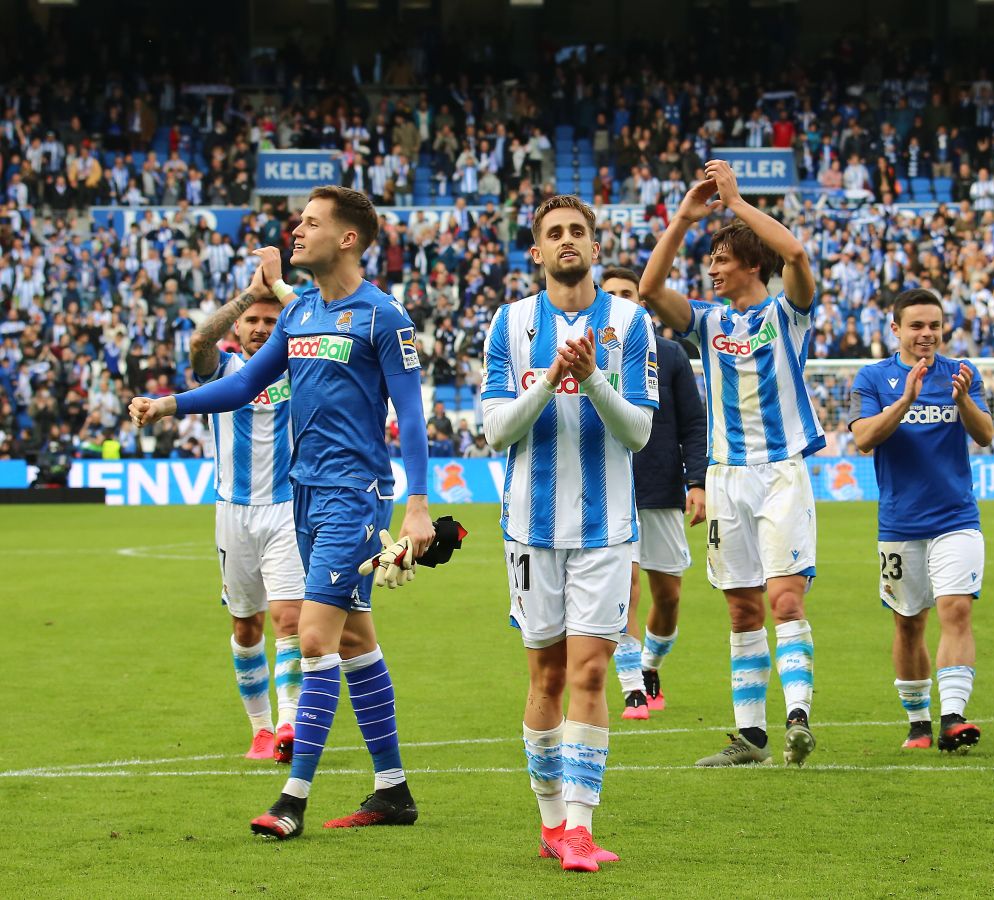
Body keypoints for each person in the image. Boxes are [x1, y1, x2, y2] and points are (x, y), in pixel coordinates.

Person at [130, 185, 435, 839]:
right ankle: (393, 791)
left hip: (353, 496)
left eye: (311, 222)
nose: (297, 230)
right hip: (303, 494)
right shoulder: (300, 314)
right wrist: (169, 404)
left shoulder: (383, 316)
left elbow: (410, 415)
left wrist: (417, 506)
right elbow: (243, 382)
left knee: (314, 638)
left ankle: (292, 800)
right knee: (354, 642)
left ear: (347, 238)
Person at [481, 196, 657, 872]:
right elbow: (496, 431)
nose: (566, 241)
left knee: (590, 671)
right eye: (554, 233)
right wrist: (554, 376)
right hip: (530, 529)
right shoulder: (510, 323)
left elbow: (638, 433)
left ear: (594, 244)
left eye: (577, 231)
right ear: (537, 250)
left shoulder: (630, 323)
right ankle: (551, 821)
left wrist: (592, 380)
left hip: (606, 529)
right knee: (546, 675)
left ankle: (580, 829)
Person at [641, 160, 825, 767]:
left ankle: (797, 716)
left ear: (751, 264)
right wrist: (684, 219)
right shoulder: (708, 321)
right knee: (742, 607)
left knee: (785, 600)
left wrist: (737, 203)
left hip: (781, 472)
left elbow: (795, 254)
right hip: (725, 476)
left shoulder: (788, 314)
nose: (712, 269)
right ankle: (752, 738)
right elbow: (649, 289)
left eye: (721, 259)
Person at [848, 288, 994, 751]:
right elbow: (864, 439)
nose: (926, 333)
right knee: (908, 623)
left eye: (934, 325)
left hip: (957, 517)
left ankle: (953, 717)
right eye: (916, 325)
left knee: (956, 609)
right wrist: (906, 399)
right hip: (900, 523)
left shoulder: (962, 374)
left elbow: (986, 435)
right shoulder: (873, 378)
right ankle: (918, 722)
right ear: (896, 329)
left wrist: (964, 401)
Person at [186, 245, 303, 763]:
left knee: (289, 620)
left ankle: (289, 725)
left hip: (286, 508)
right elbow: (198, 341)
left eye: (269, 321)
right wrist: (248, 295)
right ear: (238, 326)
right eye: (252, 320)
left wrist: (279, 292)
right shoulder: (223, 371)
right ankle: (260, 729)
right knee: (245, 625)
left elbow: (322, 331)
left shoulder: (299, 369)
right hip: (232, 511)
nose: (259, 328)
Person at [600, 266, 707, 720]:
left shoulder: (670, 354)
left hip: (661, 488)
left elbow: (694, 423)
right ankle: (632, 690)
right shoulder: (587, 355)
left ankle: (650, 667)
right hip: (609, 489)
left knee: (668, 598)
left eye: (628, 293)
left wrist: (697, 482)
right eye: (611, 294)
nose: (620, 300)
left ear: (642, 303)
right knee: (624, 588)